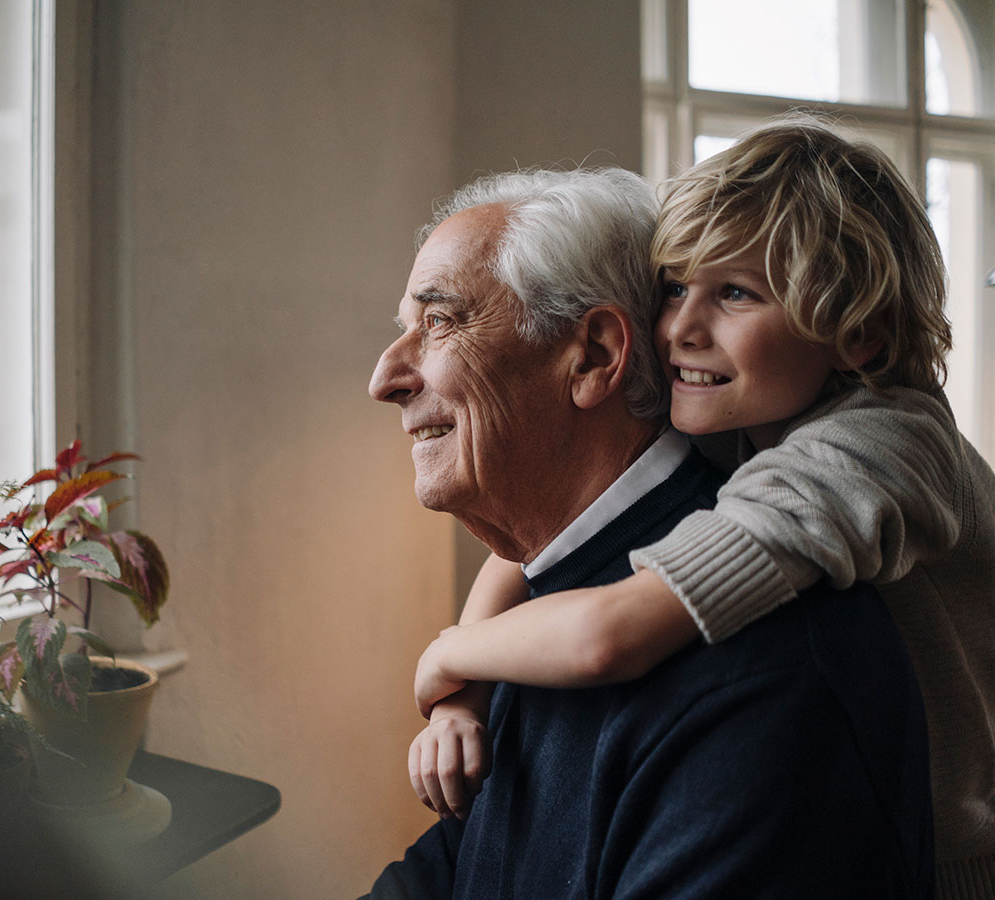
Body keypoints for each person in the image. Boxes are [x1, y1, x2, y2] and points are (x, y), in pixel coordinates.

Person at [408, 116, 995, 896]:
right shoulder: (745, 414)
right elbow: (520, 559)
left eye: (737, 294)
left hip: (946, 856)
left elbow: (610, 633)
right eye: (677, 287)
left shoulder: (874, 452)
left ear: (862, 339)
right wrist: (464, 703)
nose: (682, 327)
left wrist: (445, 656)